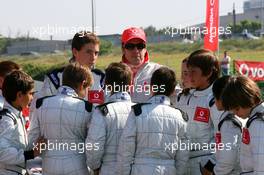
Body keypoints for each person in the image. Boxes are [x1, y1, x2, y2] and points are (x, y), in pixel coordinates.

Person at [117, 67, 189, 175]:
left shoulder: (138, 111)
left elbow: (126, 148)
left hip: (140, 170)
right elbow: (183, 156)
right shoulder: (181, 116)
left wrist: (123, 173)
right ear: (174, 89)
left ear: (152, 87)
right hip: (169, 170)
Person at [28, 63, 94, 175]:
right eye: (88, 88)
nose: (87, 92)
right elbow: (93, 143)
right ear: (83, 84)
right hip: (78, 166)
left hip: (49, 167)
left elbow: (32, 141)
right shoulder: (87, 107)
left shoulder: (41, 104)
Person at [86, 62, 133, 175]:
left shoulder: (102, 112)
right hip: (135, 169)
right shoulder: (140, 111)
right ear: (131, 83)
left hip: (108, 169)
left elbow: (94, 145)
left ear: (106, 84)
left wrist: (94, 167)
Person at [34, 31, 104, 104]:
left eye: (96, 53)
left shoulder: (101, 79)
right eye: (89, 52)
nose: (93, 57)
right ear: (75, 52)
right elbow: (40, 108)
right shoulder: (55, 79)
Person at [181, 49, 221, 175]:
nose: (189, 75)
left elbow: (225, 137)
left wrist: (210, 165)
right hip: (183, 162)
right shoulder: (184, 96)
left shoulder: (216, 99)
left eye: (193, 72)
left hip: (204, 165)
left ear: (208, 73)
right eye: (187, 71)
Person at [0, 70, 42, 175]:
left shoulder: (16, 116)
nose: (32, 98)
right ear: (19, 95)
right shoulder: (7, 119)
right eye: (31, 93)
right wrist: (32, 153)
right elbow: (2, 152)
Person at [221, 75, 264, 174]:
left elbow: (261, 167)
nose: (235, 113)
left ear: (247, 100)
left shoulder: (258, 124)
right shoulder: (255, 119)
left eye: (236, 108)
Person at [201, 76, 242, 175]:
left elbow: (228, 158)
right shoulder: (237, 114)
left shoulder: (229, 122)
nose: (214, 102)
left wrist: (215, 173)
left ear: (222, 97)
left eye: (215, 97)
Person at [120, 27, 161, 103]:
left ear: (145, 48)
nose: (136, 50)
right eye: (130, 46)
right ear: (123, 49)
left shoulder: (159, 71)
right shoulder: (112, 73)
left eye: (140, 46)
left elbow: (178, 98)